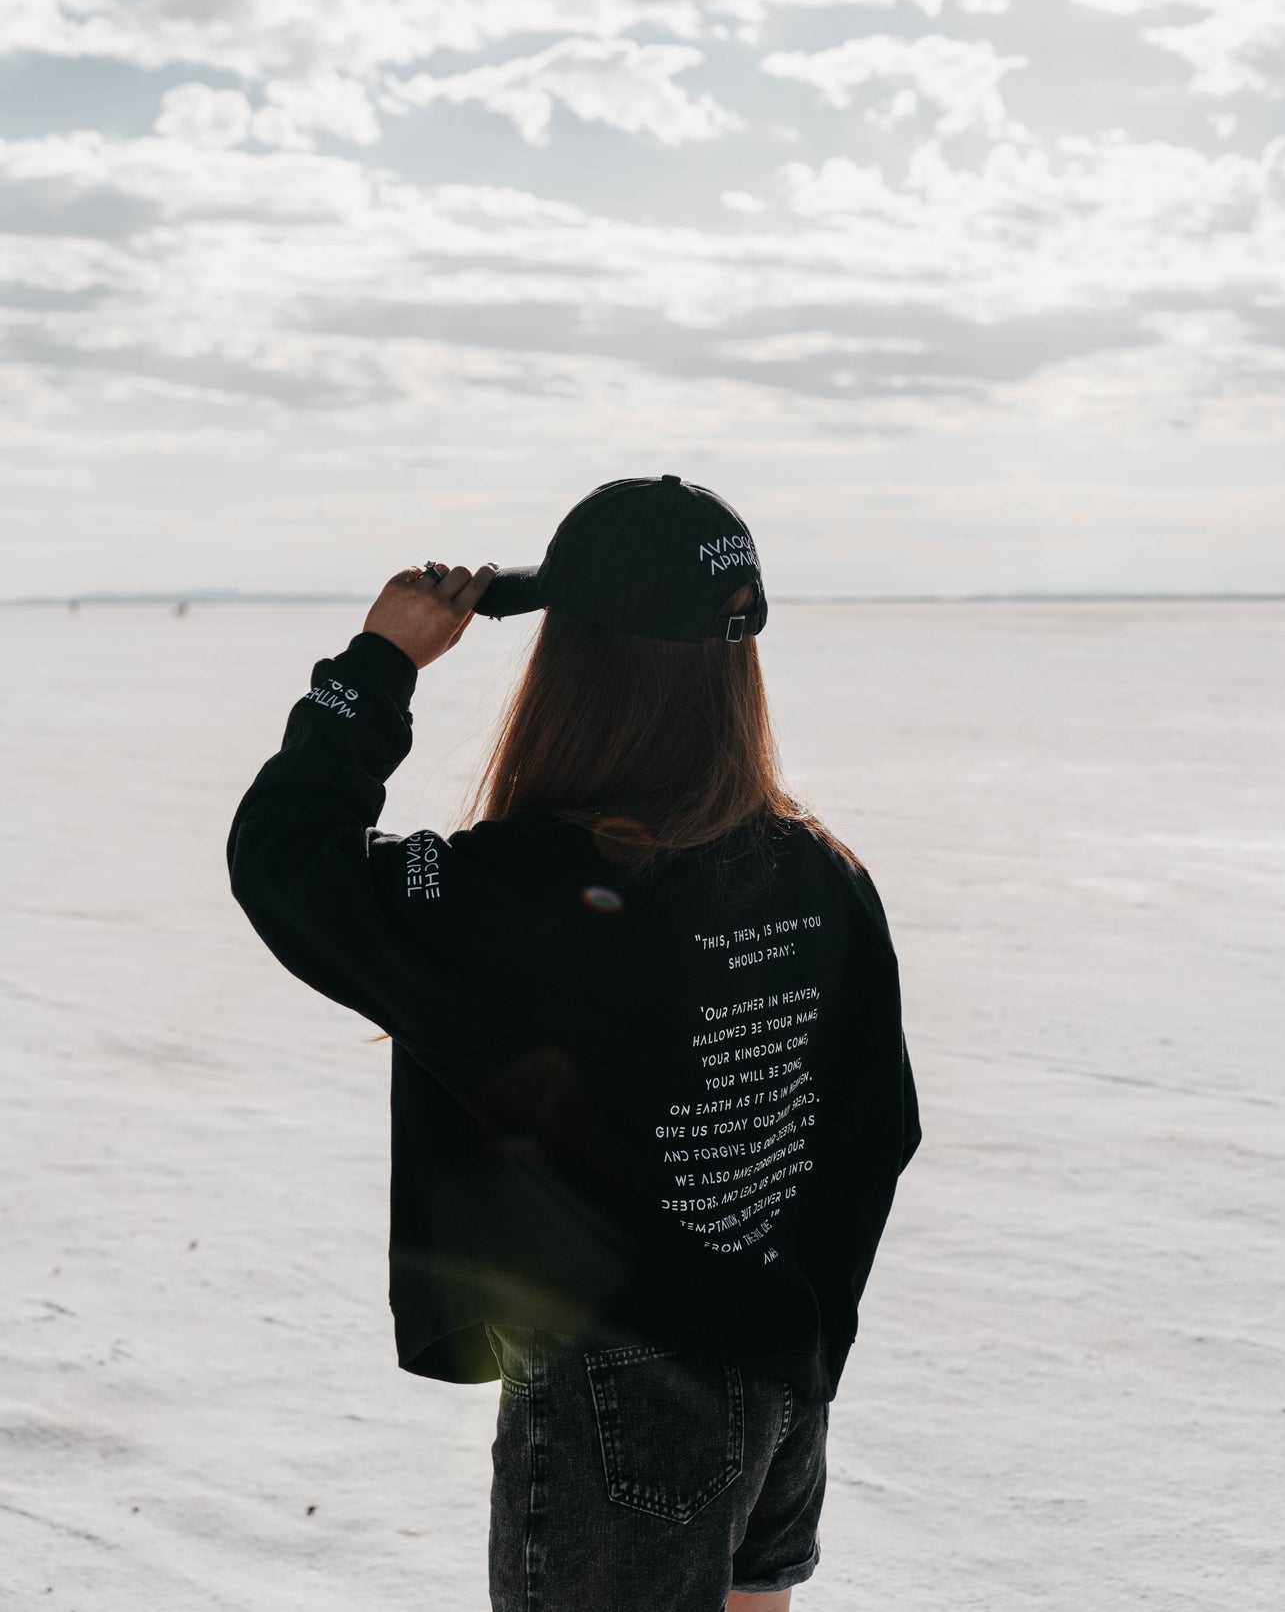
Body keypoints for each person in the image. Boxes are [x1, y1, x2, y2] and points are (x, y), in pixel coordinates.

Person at [227, 474, 921, 1612]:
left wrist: (378, 665)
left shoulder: (532, 887)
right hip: (779, 1365)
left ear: (574, 662)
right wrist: (804, 1346)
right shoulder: (819, 871)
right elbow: (870, 1133)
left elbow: (287, 863)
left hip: (626, 1398)